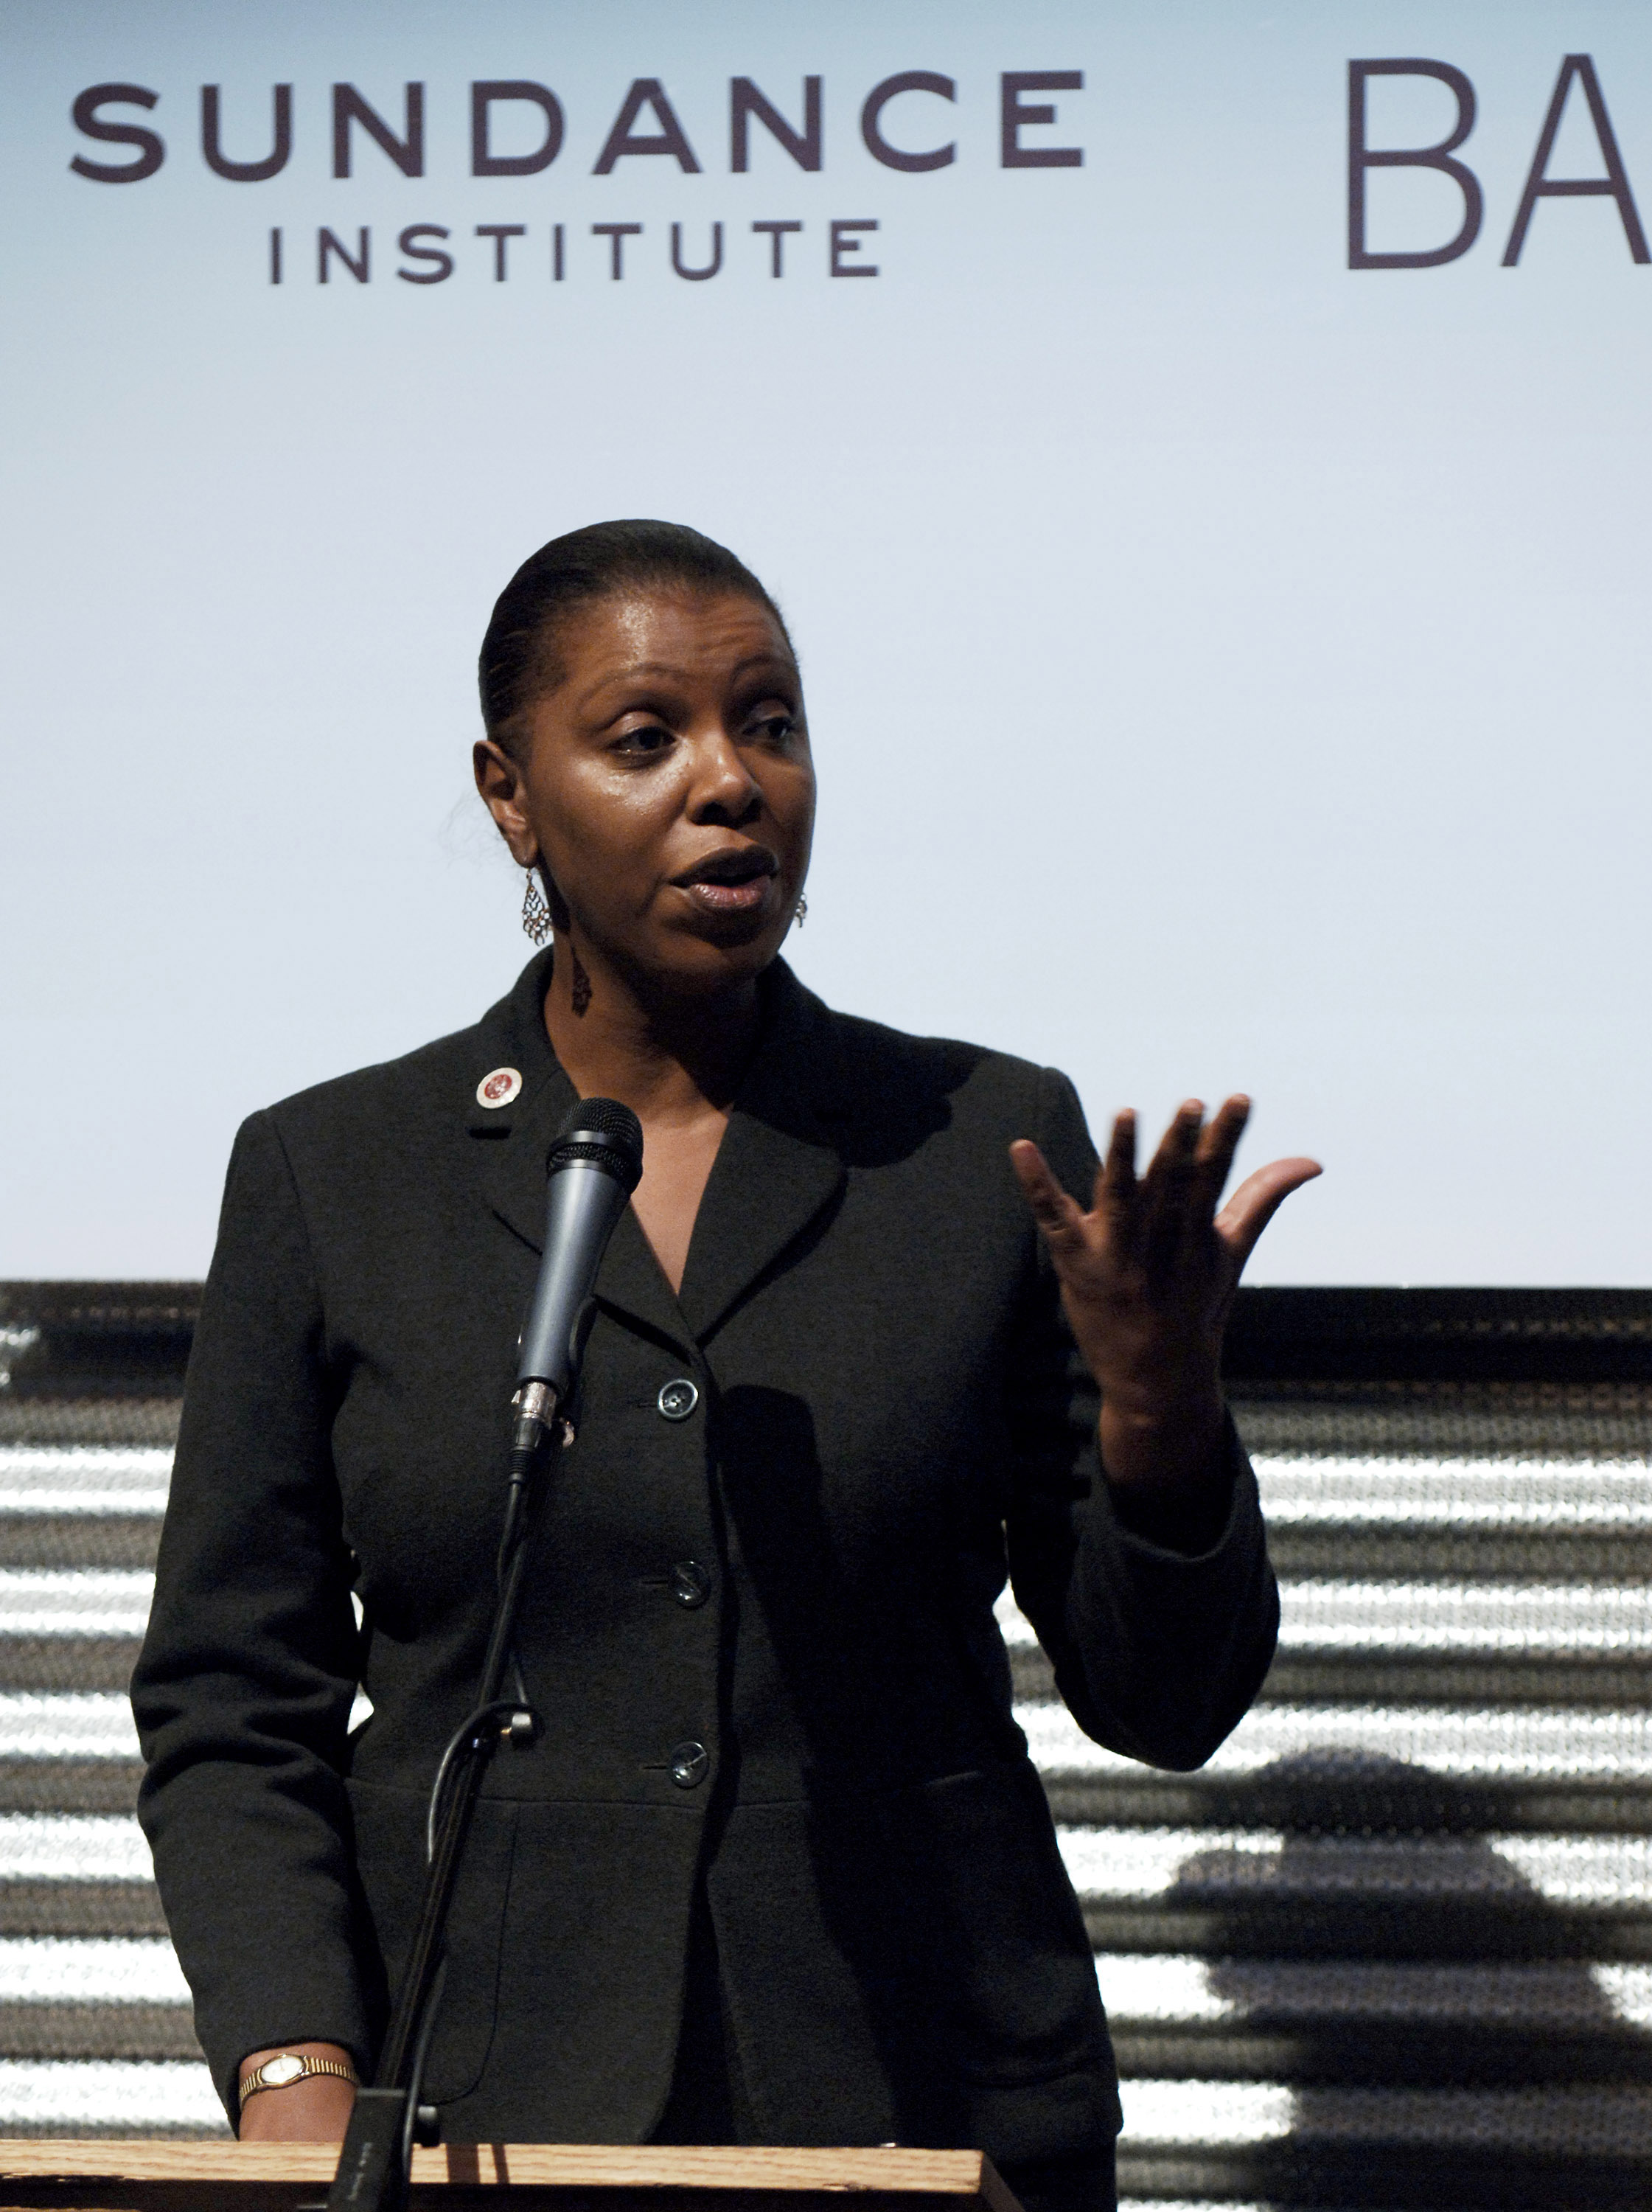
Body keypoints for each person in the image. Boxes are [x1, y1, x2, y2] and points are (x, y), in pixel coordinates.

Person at [132, 521, 1319, 2212]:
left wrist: (1161, 1408)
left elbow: (1167, 1704)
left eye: (769, 723)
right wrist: (293, 2068)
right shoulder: (338, 1174)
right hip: (484, 2109)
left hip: (925, 2095)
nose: (732, 782)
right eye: (645, 738)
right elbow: (228, 1698)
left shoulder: (979, 1145)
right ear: (507, 794)